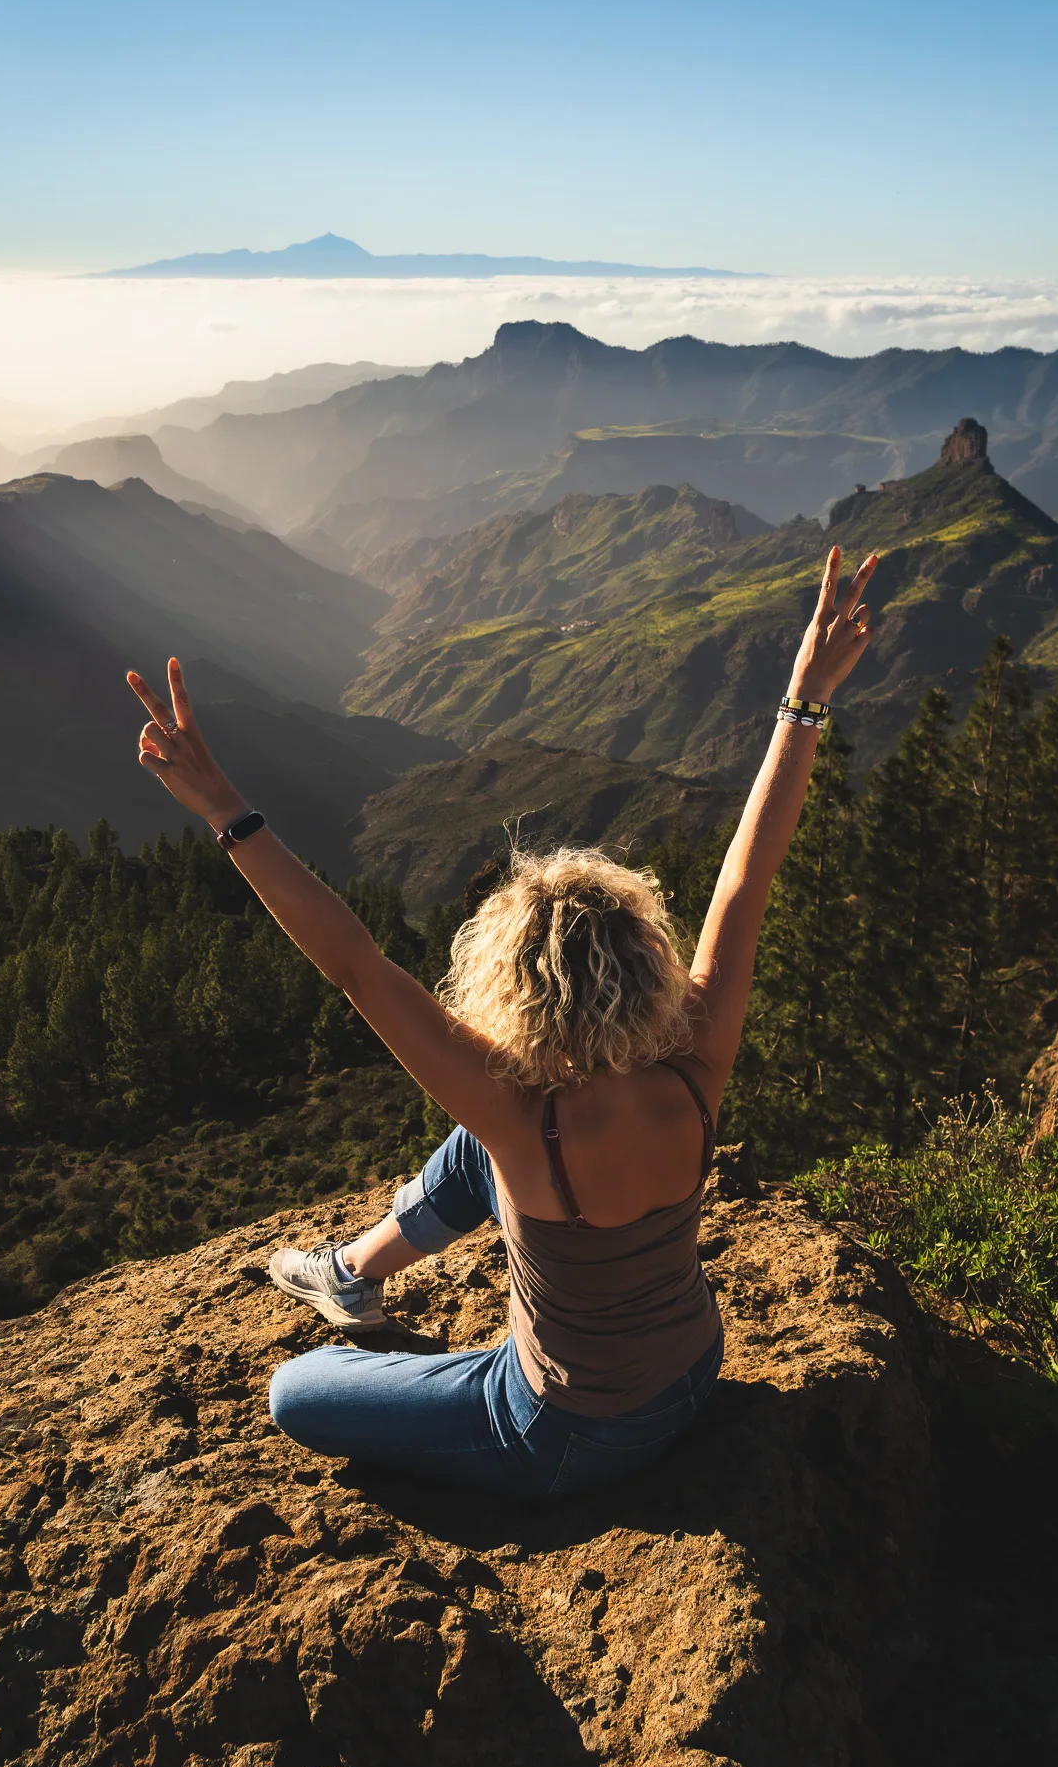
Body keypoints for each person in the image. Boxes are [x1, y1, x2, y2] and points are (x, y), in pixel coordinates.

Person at [126, 543, 877, 1497]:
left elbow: (356, 965)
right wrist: (803, 700)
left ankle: (397, 1316)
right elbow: (745, 873)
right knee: (487, 1143)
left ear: (515, 982)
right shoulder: (696, 1059)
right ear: (645, 956)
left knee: (297, 1391)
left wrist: (223, 807)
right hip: (695, 1373)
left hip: (566, 1433)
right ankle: (355, 1269)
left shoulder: (522, 1116)